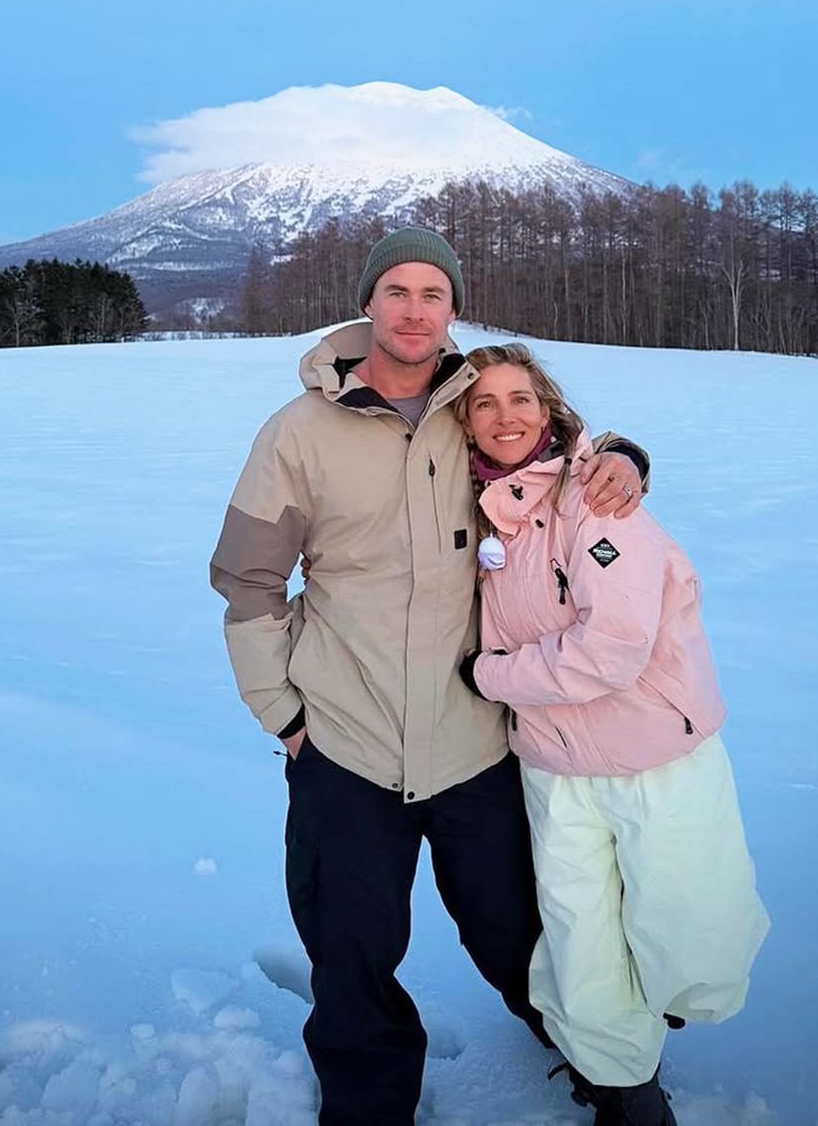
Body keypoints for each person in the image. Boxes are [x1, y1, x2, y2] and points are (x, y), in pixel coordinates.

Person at [209, 226, 648, 1125]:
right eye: (398, 291)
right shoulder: (297, 433)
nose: (415, 311)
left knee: (524, 933)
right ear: (368, 300)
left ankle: (612, 1073)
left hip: (473, 741)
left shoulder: (471, 409)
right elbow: (248, 580)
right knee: (351, 953)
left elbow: (562, 451)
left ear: (454, 306)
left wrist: (628, 459)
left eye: (433, 294)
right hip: (344, 743)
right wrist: (283, 716)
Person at [454, 342, 770, 1126]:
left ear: (550, 408)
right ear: (461, 421)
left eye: (520, 399)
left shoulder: (596, 499)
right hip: (553, 767)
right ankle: (625, 1088)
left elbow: (614, 649)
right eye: (483, 403)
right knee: (578, 936)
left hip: (651, 754)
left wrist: (488, 677)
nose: (504, 418)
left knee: (683, 927)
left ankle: (653, 1024)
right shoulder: (477, 510)